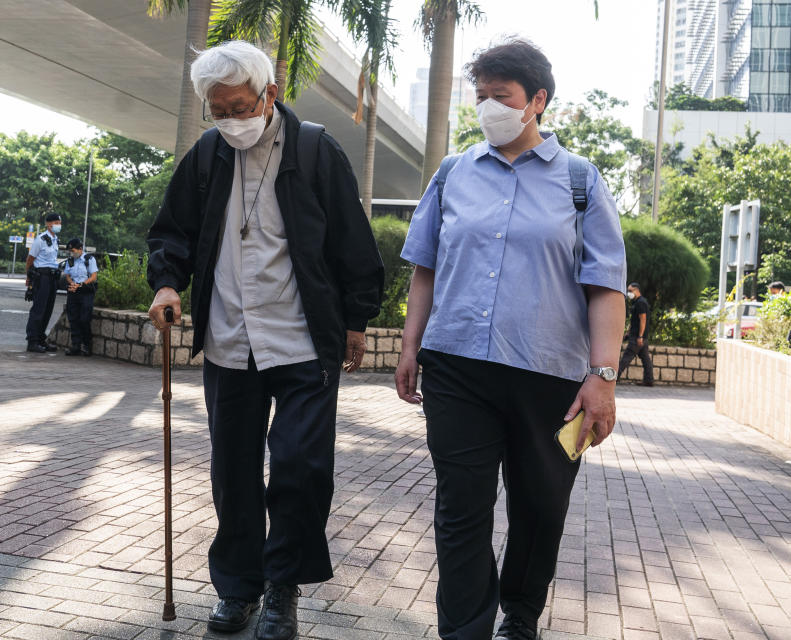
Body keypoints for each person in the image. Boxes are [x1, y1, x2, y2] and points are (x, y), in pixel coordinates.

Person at [145, 41, 383, 640]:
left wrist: (356, 321)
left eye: (239, 106)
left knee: (301, 468)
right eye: (218, 110)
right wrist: (168, 284)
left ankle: (282, 589)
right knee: (233, 471)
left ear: (270, 94)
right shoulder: (207, 155)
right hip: (230, 338)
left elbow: (354, 244)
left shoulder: (315, 150)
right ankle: (238, 588)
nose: (230, 120)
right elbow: (172, 231)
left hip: (302, 341)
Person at [394, 38, 627, 640]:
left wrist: (602, 378)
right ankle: (464, 631)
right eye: (482, 97)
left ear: (537, 101)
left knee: (540, 507)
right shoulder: (453, 173)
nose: (489, 107)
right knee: (461, 508)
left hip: (552, 378)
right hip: (458, 368)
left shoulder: (580, 181)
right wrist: (410, 345)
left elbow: (606, 287)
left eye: (502, 96)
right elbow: (425, 265)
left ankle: (519, 617)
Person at [25, 213, 62, 353]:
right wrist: (28, 278)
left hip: (52, 278)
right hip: (42, 278)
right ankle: (32, 341)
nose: (58, 225)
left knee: (48, 310)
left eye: (59, 222)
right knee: (38, 310)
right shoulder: (40, 239)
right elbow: (30, 259)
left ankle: (41, 339)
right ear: (48, 224)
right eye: (56, 222)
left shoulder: (55, 239)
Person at [61, 238, 98, 356]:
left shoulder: (89, 259)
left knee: (84, 319)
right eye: (70, 251)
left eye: (73, 250)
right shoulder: (70, 261)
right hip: (73, 291)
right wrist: (71, 283)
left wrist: (80, 285)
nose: (71, 253)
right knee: (73, 319)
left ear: (80, 249)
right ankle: (75, 345)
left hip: (85, 291)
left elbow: (93, 277)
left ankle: (86, 345)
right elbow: (67, 275)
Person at [617, 282, 654, 387]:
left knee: (626, 358)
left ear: (637, 290)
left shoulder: (641, 303)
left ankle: (613, 378)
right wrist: (629, 332)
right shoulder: (638, 302)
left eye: (630, 291)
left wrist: (640, 336)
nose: (629, 293)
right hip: (639, 337)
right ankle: (649, 380)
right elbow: (635, 321)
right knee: (646, 360)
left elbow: (643, 320)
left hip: (638, 338)